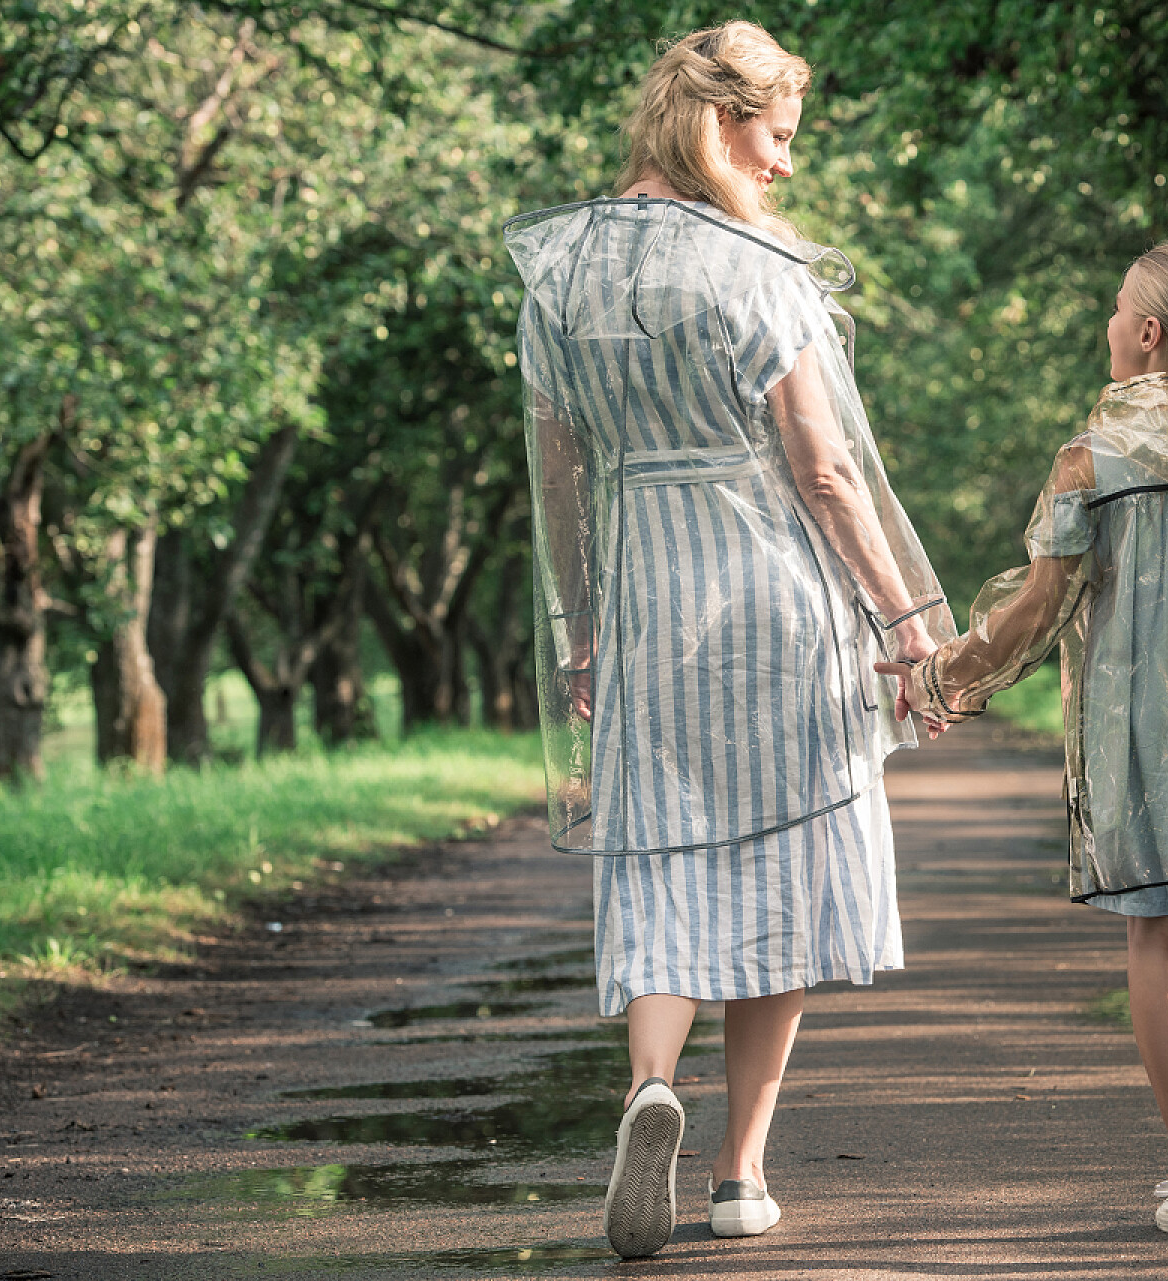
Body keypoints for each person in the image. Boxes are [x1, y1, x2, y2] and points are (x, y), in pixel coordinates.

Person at [503, 21, 954, 1259]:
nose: (786, 165)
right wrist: (905, 618)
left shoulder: (559, 275)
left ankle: (651, 1085)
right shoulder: (755, 267)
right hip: (777, 605)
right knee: (786, 871)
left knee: (657, 851)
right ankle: (741, 1171)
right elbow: (826, 470)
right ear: (719, 122)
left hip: (649, 601)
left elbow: (559, 475)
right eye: (778, 137)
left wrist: (583, 630)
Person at [879, 242, 1168, 1260]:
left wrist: (943, 677)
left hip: (1143, 740)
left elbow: (1036, 613)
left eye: (1117, 305)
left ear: (1147, 332)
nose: (1109, 320)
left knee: (1160, 955)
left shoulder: (1098, 453)